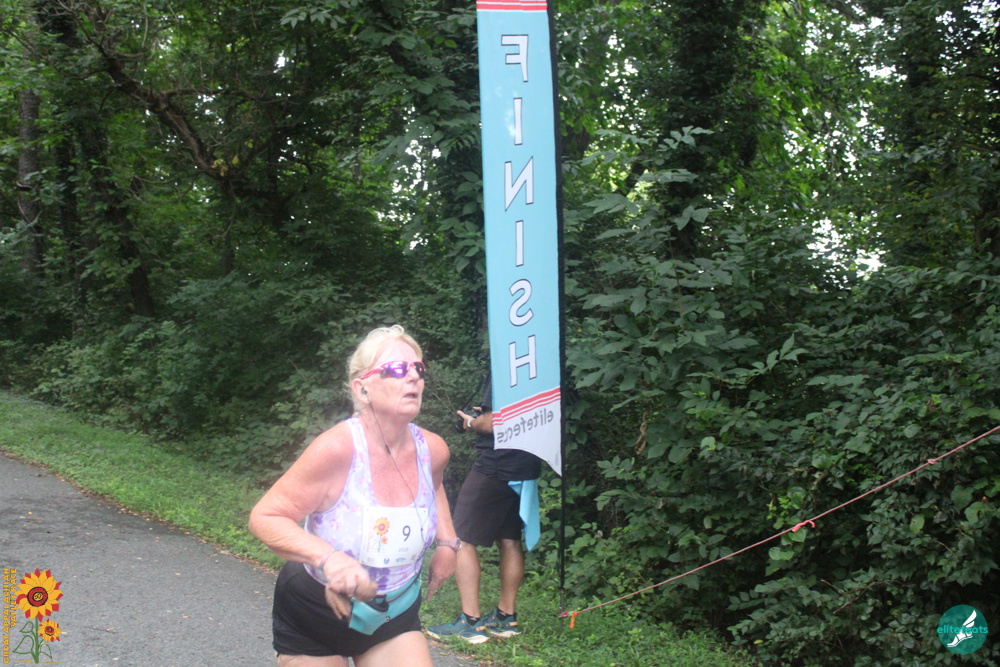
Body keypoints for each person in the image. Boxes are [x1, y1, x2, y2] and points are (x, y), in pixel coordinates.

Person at [249, 325, 460, 667]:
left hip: (394, 614)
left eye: (418, 368)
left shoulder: (432, 450)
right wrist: (331, 559)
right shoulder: (337, 450)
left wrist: (448, 542)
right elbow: (266, 516)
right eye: (396, 369)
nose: (413, 377)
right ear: (362, 389)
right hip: (316, 615)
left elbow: (434, 488)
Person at [426, 378, 541, 644]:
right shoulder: (534, 369)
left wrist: (469, 423)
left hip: (495, 464)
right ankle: (505, 617)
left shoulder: (503, 366)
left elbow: (491, 423)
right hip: (526, 464)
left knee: (461, 538)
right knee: (509, 538)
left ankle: (470, 622)